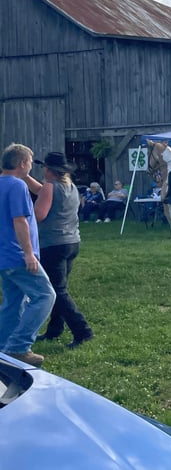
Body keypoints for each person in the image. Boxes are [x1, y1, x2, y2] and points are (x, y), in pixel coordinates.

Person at [29, 152, 94, 349]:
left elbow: (39, 214)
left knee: (57, 291)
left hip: (53, 244)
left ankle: (83, 331)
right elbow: (42, 191)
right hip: (72, 241)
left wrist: (21, 209)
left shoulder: (50, 187)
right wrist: (24, 177)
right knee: (58, 288)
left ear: (49, 170)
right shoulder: (70, 187)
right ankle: (55, 329)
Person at [0, 144, 56, 367]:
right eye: (31, 162)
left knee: (13, 303)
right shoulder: (16, 186)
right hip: (17, 255)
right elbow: (19, 220)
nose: (32, 166)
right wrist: (28, 254)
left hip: (4, 256)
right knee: (45, 295)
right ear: (22, 163)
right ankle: (19, 347)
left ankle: (3, 347)